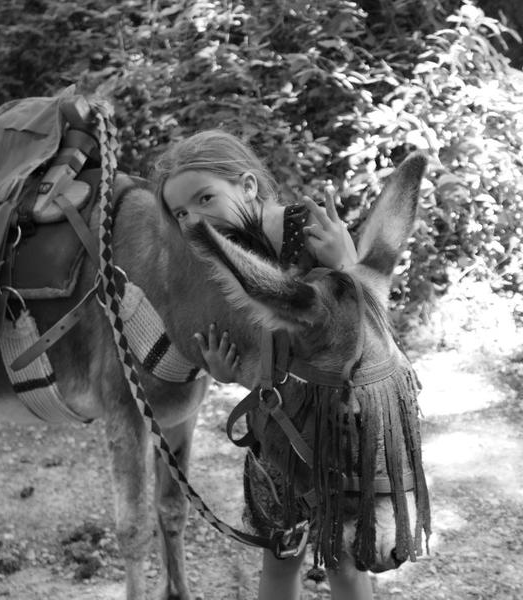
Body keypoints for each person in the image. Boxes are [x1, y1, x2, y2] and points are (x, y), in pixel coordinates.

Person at [153, 130, 369, 600]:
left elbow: (361, 322)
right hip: (273, 432)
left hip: (332, 429)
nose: (194, 219)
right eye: (181, 213)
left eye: (204, 198)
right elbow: (262, 350)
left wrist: (346, 262)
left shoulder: (312, 233)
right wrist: (228, 372)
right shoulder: (218, 257)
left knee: (345, 562)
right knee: (280, 557)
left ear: (248, 186)